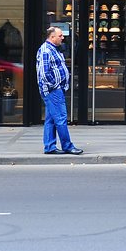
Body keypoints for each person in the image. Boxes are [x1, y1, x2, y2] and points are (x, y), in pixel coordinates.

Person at [37, 26, 83, 155]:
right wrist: (56, 85)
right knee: (61, 118)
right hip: (53, 91)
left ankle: (49, 146)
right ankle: (67, 146)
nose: (63, 37)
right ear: (52, 37)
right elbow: (44, 73)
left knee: (51, 119)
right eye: (60, 35)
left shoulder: (53, 49)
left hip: (55, 90)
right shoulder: (46, 50)